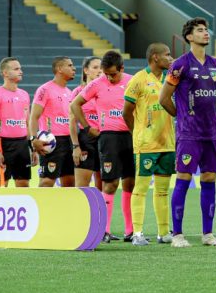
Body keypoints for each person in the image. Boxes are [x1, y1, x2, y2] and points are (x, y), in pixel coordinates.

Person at [159, 18, 216, 248]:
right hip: (188, 134)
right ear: (189, 36)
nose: (205, 33)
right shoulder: (180, 64)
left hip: (211, 133)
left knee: (210, 178)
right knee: (184, 178)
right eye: (200, 30)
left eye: (206, 30)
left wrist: (208, 115)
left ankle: (207, 233)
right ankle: (177, 234)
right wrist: (182, 117)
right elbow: (163, 98)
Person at [71, 50, 135, 243]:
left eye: (113, 74)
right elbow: (75, 105)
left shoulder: (133, 81)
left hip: (131, 136)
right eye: (106, 74)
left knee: (130, 183)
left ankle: (130, 231)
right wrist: (87, 126)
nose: (109, 77)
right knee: (110, 183)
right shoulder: (97, 84)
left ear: (122, 68)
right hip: (108, 138)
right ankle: (104, 230)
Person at [123, 44, 175, 246]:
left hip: (167, 143)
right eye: (167, 55)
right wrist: (137, 131)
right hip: (146, 144)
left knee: (162, 190)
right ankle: (137, 233)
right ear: (155, 57)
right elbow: (126, 111)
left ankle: (163, 232)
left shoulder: (170, 80)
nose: (171, 58)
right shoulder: (138, 80)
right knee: (141, 188)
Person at [0, 57, 33, 188]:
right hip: (3, 144)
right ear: (5, 73)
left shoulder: (24, 94)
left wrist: (31, 147)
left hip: (22, 144)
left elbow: (27, 123)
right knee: (2, 184)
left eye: (20, 68)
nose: (21, 71)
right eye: (16, 69)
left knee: (23, 183)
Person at [29, 56, 76, 188]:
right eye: (70, 65)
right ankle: (40, 209)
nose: (74, 68)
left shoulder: (69, 92)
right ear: (59, 69)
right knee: (47, 182)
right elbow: (33, 116)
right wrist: (33, 139)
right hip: (52, 142)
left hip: (69, 141)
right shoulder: (45, 90)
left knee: (70, 183)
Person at [69, 57, 103, 190]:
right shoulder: (78, 92)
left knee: (102, 186)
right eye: (95, 68)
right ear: (86, 70)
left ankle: (102, 211)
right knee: (82, 187)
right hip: (85, 140)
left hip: (104, 138)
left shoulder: (105, 91)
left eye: (101, 67)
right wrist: (75, 146)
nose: (99, 71)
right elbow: (72, 121)